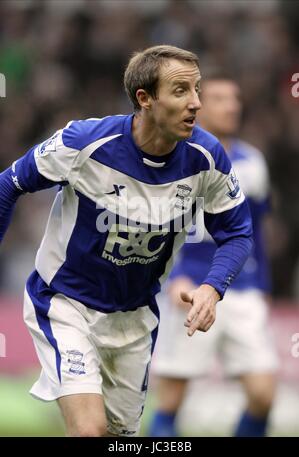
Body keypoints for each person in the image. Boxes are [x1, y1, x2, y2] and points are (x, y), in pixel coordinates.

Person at [0, 46, 252, 437]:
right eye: (181, 90)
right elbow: (8, 184)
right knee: (89, 431)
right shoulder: (84, 142)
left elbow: (236, 232)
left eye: (197, 89)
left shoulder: (207, 158)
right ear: (145, 99)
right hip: (67, 304)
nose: (197, 103)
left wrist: (212, 287)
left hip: (134, 319)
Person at [149, 72, 278, 438]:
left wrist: (264, 282)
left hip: (244, 286)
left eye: (235, 98)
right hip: (190, 287)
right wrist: (172, 279)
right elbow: (156, 228)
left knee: (263, 395)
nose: (231, 106)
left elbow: (256, 231)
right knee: (171, 399)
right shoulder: (175, 158)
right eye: (220, 98)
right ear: (198, 107)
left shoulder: (253, 162)